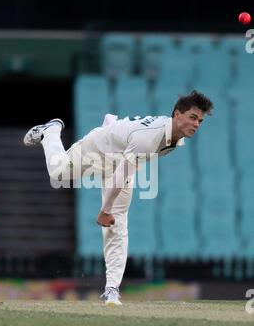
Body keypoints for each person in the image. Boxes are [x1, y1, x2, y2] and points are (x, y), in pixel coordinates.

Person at [23, 90, 213, 305]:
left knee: (118, 223)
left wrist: (112, 124)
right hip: (97, 149)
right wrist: (105, 210)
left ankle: (111, 289)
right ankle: (51, 131)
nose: (197, 124)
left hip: (119, 159)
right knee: (58, 172)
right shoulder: (152, 138)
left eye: (200, 121)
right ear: (177, 114)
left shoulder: (175, 138)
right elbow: (122, 173)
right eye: (193, 117)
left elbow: (129, 147)